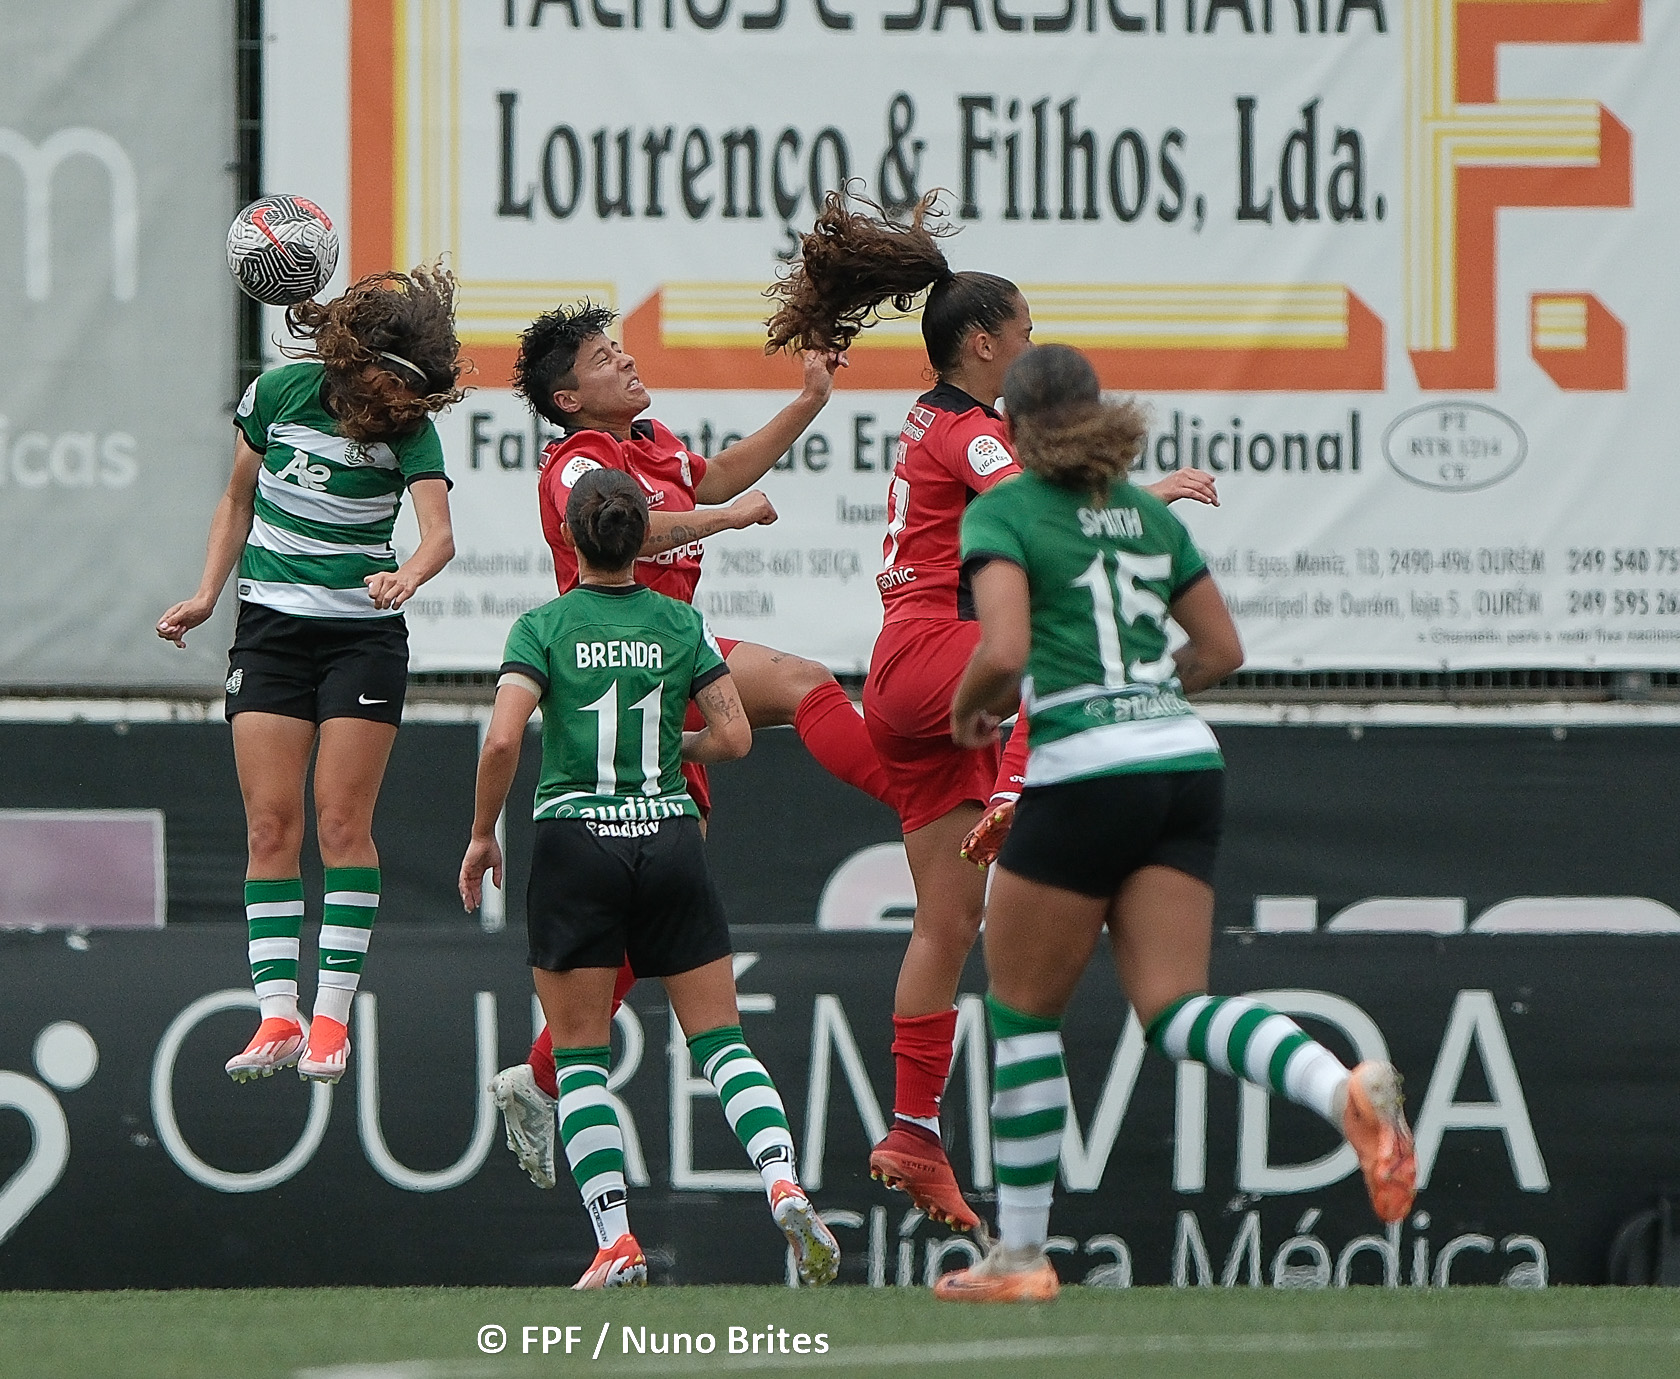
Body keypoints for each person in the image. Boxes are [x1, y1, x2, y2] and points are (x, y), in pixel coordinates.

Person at [761, 191, 1218, 1235]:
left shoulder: (943, 418)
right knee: (1054, 630)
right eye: (1021, 334)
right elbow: (1038, 507)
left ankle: (912, 1128)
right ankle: (1011, 781)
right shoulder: (968, 431)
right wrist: (1148, 499)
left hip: (916, 682)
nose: (1031, 350)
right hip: (935, 654)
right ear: (980, 343)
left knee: (946, 922)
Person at [932, 342, 1415, 1301]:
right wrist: (1145, 694)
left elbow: (1007, 646)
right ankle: (1341, 1089)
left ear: (1016, 430)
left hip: (1082, 773)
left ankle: (1022, 1256)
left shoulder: (1004, 510)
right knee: (1176, 1010)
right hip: (1183, 763)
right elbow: (1223, 648)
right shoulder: (1149, 513)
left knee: (1022, 1014)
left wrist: (968, 712)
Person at [485, 302, 898, 1191]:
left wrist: (809, 401)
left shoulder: (654, 436)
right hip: (616, 685)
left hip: (672, 648)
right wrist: (732, 521)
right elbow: (648, 527)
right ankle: (547, 1076)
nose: (627, 361)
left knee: (804, 681)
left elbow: (712, 479)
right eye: (605, 358)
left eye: (621, 347)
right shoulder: (577, 465)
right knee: (649, 925)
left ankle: (539, 1076)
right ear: (567, 396)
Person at [460, 468, 841, 1289]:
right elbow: (736, 737)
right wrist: (675, 752)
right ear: (644, 539)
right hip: (668, 835)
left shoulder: (543, 626)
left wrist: (482, 832)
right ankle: (782, 1179)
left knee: (583, 1060)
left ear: (569, 536)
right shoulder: (679, 622)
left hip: (574, 842)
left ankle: (615, 1240)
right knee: (722, 1042)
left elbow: (500, 742)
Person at [156, 265, 464, 1085]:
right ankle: (276, 1015)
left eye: (413, 391)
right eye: (389, 382)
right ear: (351, 357)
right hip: (271, 633)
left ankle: (331, 1016)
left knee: (340, 825)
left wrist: (409, 577)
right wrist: (204, 594)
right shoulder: (278, 396)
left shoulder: (409, 433)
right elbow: (237, 499)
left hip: (362, 639)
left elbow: (439, 536)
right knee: (269, 826)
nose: (400, 401)